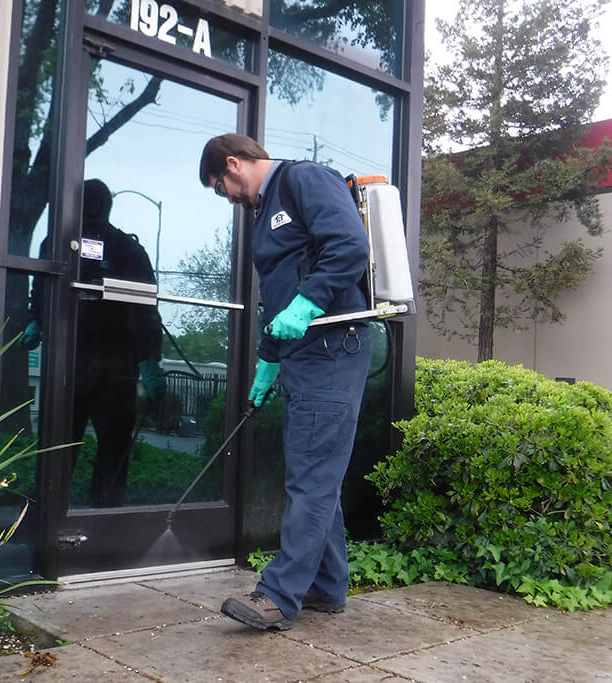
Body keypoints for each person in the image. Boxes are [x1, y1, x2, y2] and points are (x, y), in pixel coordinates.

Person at [199, 134, 372, 630]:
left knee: (311, 479)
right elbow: (277, 296)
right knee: (318, 476)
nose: (227, 198)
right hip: (301, 354)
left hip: (331, 348)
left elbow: (350, 246)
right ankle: (326, 585)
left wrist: (309, 302)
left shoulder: (304, 179)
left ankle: (278, 597)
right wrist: (267, 359)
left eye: (221, 187)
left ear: (234, 163)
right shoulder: (266, 211)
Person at [22, 179, 166, 507]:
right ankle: (44, 524)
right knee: (58, 448)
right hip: (72, 366)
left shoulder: (125, 249)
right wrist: (35, 319)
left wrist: (149, 361)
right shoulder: (57, 245)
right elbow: (41, 289)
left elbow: (145, 308)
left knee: (108, 450)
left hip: (112, 370)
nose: (92, 218)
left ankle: (100, 525)